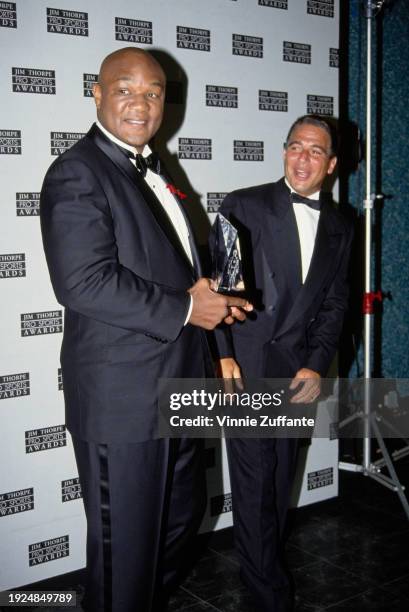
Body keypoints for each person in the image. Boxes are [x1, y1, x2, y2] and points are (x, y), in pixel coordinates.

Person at [40, 47, 252, 612]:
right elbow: (82, 282)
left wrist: (214, 330)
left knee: (178, 525)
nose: (142, 103)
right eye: (126, 89)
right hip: (124, 399)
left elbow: (182, 276)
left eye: (154, 92)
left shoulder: (155, 171)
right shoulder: (78, 170)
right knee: (125, 556)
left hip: (180, 385)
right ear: (98, 93)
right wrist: (187, 310)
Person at [215, 115, 353, 611]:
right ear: (284, 151)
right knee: (253, 484)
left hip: (297, 372)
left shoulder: (341, 224)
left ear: (332, 164)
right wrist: (224, 357)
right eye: (296, 146)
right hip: (247, 368)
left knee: (277, 481)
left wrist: (316, 365)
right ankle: (269, 594)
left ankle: (264, 568)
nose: (302, 158)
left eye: (315, 151)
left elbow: (336, 303)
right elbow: (220, 290)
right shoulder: (243, 205)